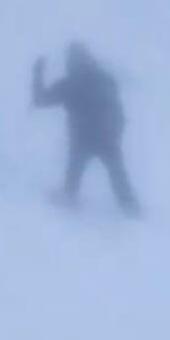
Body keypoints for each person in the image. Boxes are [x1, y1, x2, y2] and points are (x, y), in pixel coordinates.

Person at [32, 42, 139, 212]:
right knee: (118, 177)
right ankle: (131, 208)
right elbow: (116, 105)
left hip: (82, 139)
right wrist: (118, 129)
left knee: (73, 181)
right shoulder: (104, 78)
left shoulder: (69, 84)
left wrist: (37, 73)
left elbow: (40, 100)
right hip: (107, 137)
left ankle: (69, 197)